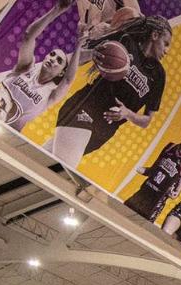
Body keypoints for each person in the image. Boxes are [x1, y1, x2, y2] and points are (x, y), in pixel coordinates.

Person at [46, 15, 172, 170]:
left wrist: (127, 114)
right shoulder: (125, 40)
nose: (167, 50)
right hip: (85, 109)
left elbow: (146, 120)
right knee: (62, 169)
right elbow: (83, 56)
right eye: (165, 44)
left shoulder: (159, 75)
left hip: (104, 131)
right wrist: (91, 53)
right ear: (154, 35)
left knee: (42, 160)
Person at [0, 0, 80, 132]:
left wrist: (79, 44)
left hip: (5, 132)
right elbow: (28, 37)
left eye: (59, 61)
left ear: (61, 72)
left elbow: (68, 80)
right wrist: (56, 10)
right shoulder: (26, 68)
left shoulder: (51, 94)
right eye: (52, 54)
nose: (53, 59)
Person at [123, 124, 181, 222]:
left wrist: (173, 193)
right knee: (121, 216)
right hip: (143, 192)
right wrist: (133, 166)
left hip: (155, 202)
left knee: (137, 227)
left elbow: (176, 192)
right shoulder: (170, 147)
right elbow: (151, 170)